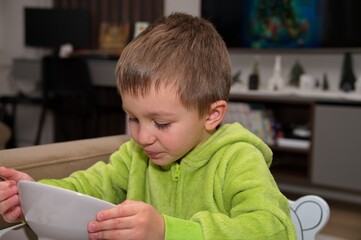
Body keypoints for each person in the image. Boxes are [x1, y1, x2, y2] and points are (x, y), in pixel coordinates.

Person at [0, 12, 296, 240]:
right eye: (133, 118)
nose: (142, 136)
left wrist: (167, 230)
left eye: (161, 123)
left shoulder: (238, 159)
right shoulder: (134, 156)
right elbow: (87, 186)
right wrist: (34, 195)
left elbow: (277, 229)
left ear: (211, 115)